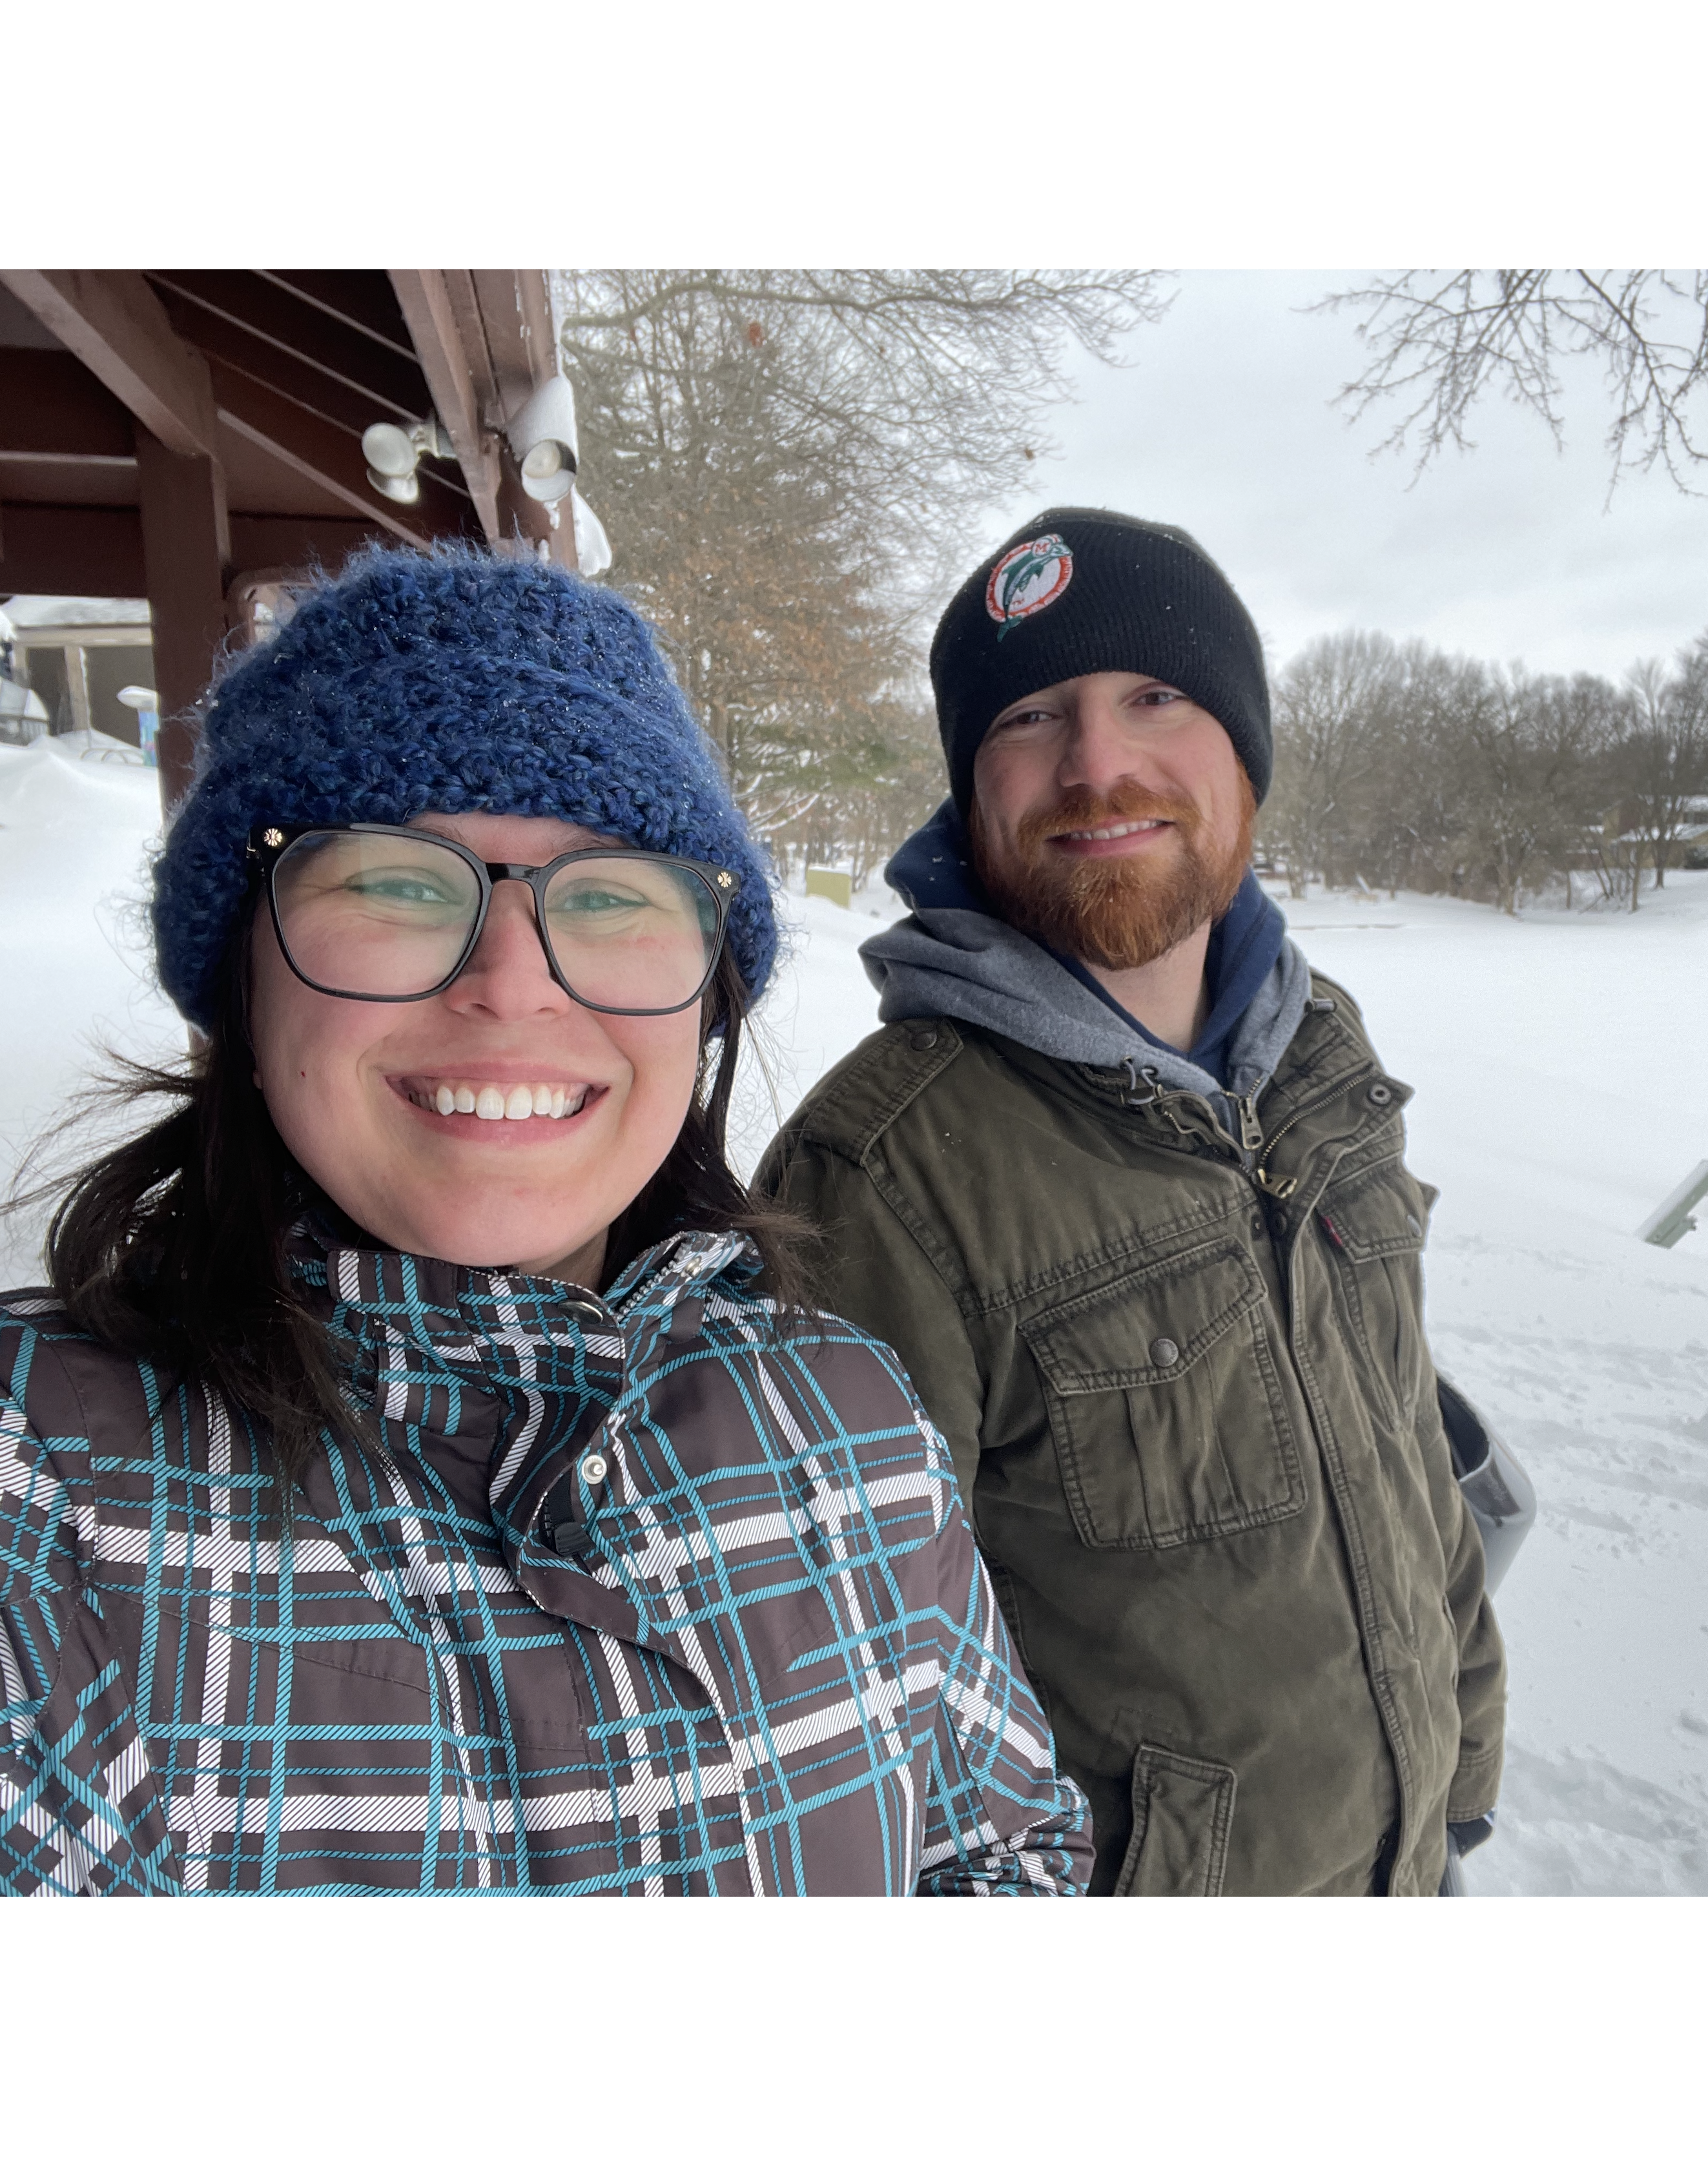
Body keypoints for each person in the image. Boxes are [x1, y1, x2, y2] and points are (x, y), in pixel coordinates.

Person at [0, 547, 1090, 1897]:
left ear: (704, 996)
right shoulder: (43, 1508)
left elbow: (1005, 1858)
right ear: (244, 967)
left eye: (613, 894)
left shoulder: (853, 1422)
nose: (512, 987)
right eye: (397, 883)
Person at [757, 508, 1506, 1896]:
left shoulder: (1317, 1049)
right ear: (972, 795)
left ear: (1245, 755)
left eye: (1154, 697)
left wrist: (1457, 1772)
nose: (1097, 766)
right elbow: (835, 1722)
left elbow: (1399, 1437)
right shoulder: (885, 1173)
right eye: (1033, 718)